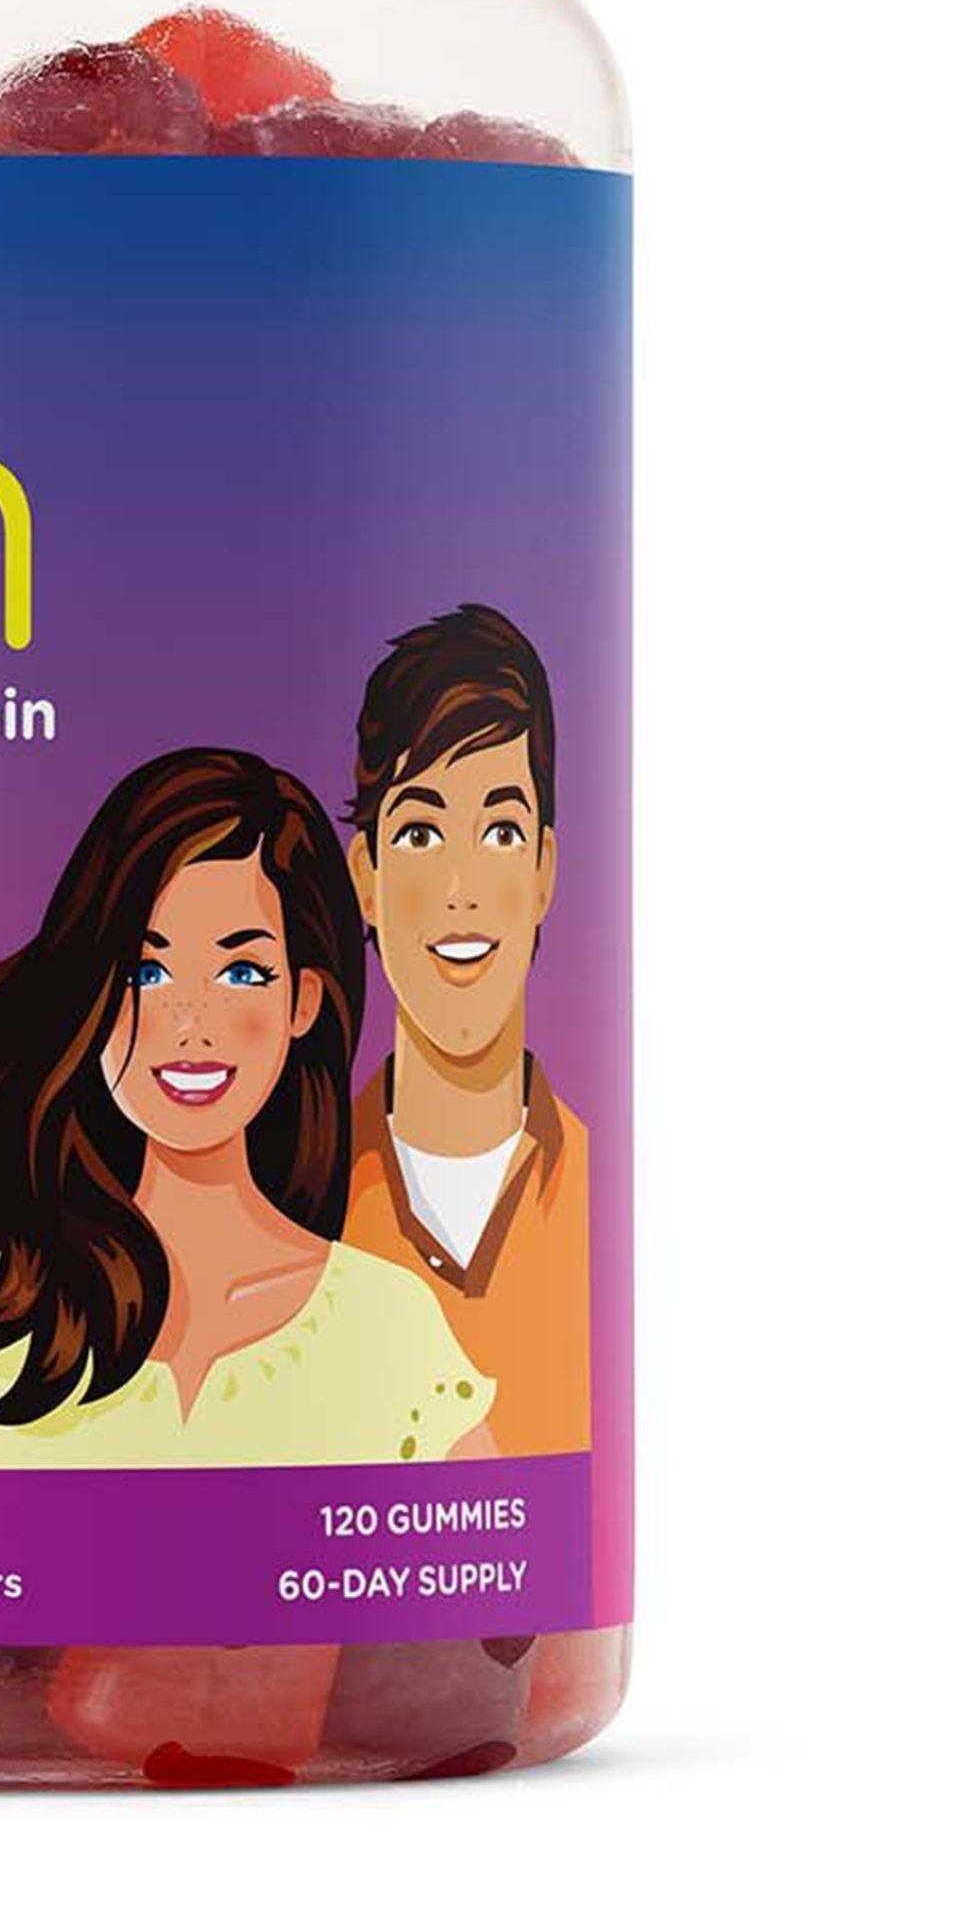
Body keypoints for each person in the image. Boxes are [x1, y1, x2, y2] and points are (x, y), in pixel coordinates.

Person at [0, 747, 493, 1467]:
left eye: (242, 973)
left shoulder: (384, 1330)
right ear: (91, 997)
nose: (191, 1023)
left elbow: (516, 1553)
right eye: (146, 972)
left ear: (304, 1002)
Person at [341, 606, 592, 1456]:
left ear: (544, 870)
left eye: (500, 831)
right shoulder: (304, 1206)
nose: (461, 888)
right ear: (367, 876)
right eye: (420, 832)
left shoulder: (605, 1202)